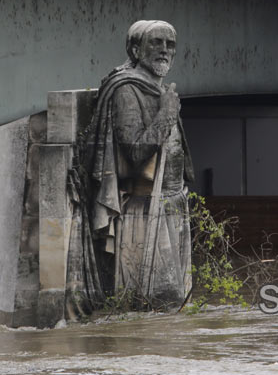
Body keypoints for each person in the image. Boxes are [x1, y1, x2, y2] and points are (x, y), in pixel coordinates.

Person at [80, 20, 194, 310]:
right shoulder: (126, 90)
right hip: (144, 208)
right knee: (157, 302)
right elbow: (135, 150)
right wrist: (168, 113)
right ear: (134, 48)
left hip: (173, 202)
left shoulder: (159, 89)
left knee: (176, 300)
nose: (164, 50)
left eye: (170, 45)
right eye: (156, 42)